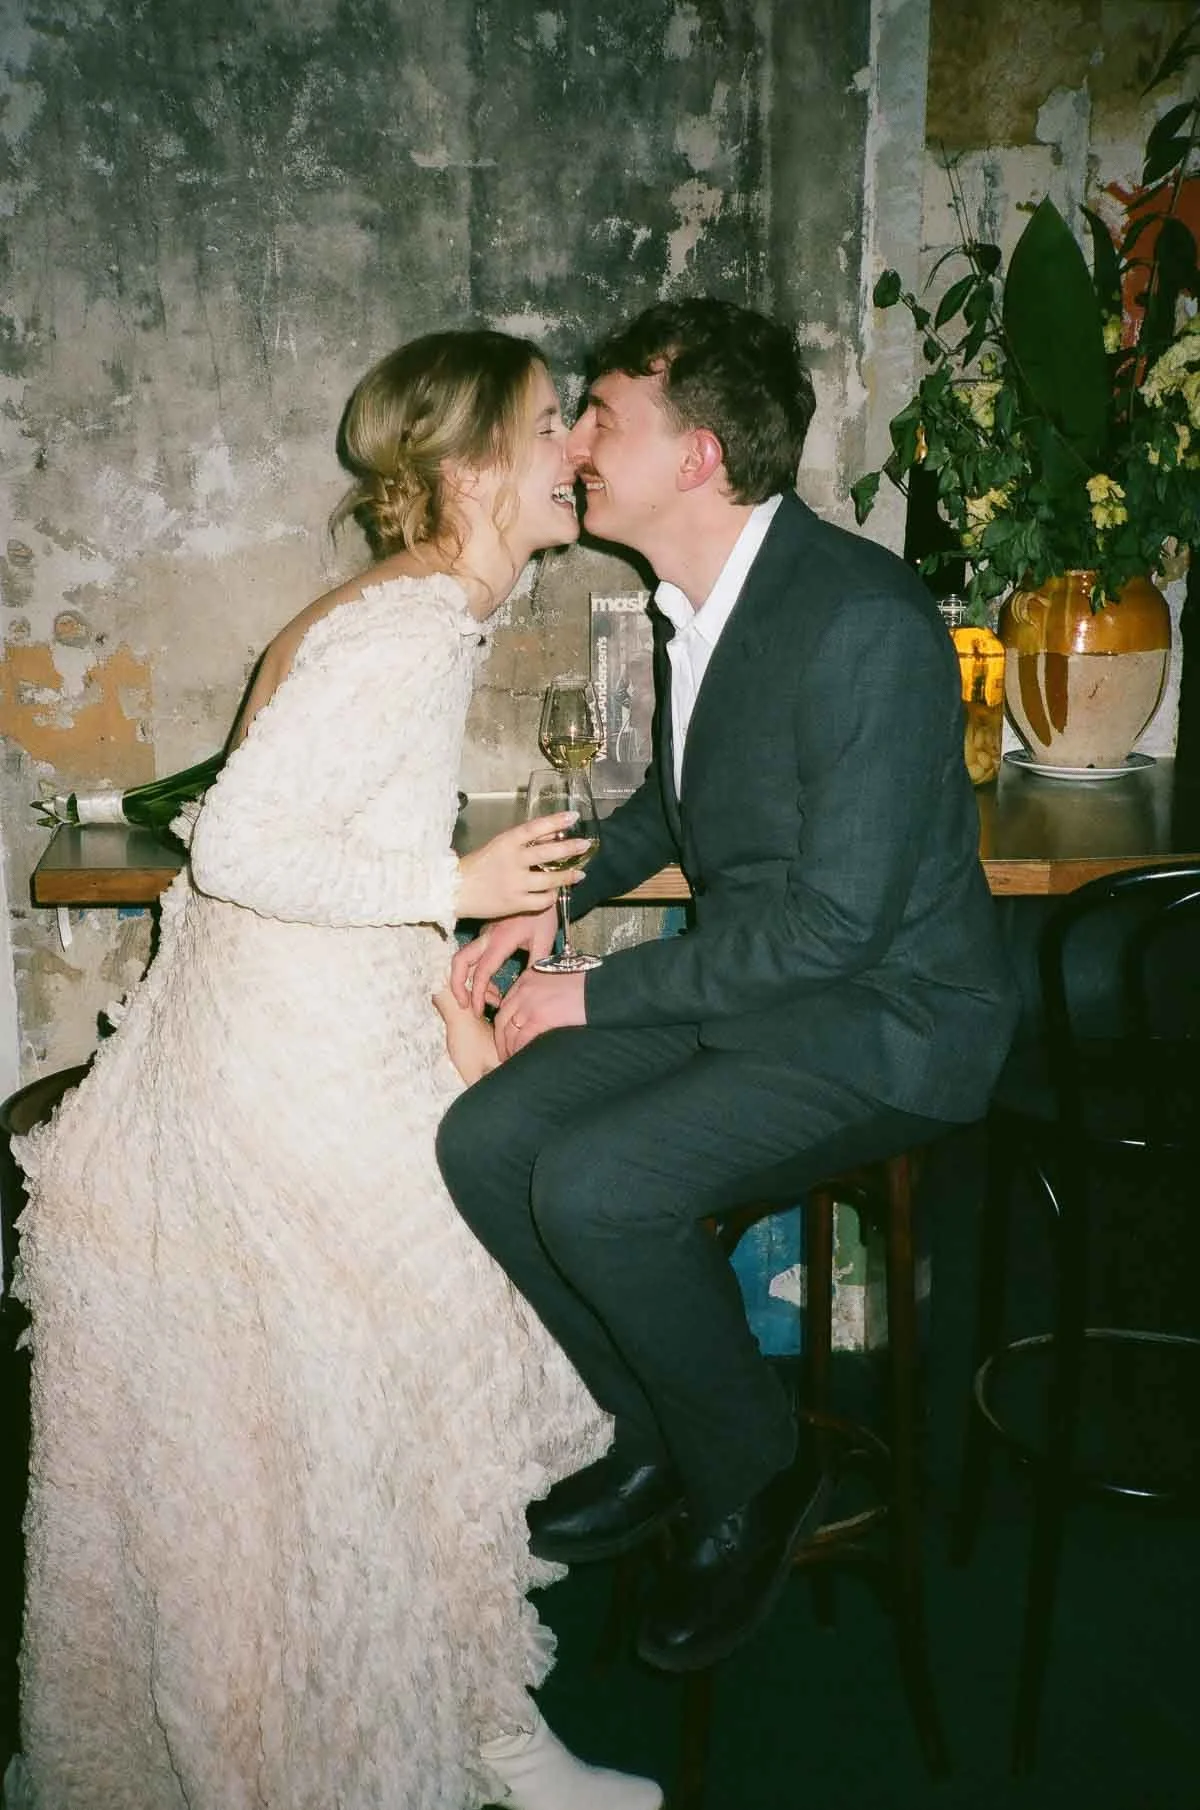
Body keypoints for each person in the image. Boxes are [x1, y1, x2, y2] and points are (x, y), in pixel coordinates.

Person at [12, 330, 664, 1810]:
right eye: (555, 420)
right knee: (438, 1352)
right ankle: (472, 1727)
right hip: (285, 1073)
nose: (575, 445)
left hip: (289, 1034)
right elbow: (235, 844)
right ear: (475, 465)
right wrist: (453, 870)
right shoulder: (415, 627)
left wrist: (444, 945)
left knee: (402, 1382)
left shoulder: (414, 607)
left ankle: (478, 1708)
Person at [438, 298, 1018, 1676]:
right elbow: (684, 808)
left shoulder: (864, 620)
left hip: (895, 1020)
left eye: (607, 417)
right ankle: (663, 1426)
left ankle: (751, 1468)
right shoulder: (695, 599)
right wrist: (558, 891)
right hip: (778, 993)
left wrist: (592, 995)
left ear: (698, 456)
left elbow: (833, 925)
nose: (577, 439)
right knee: (486, 1137)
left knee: (595, 1183)